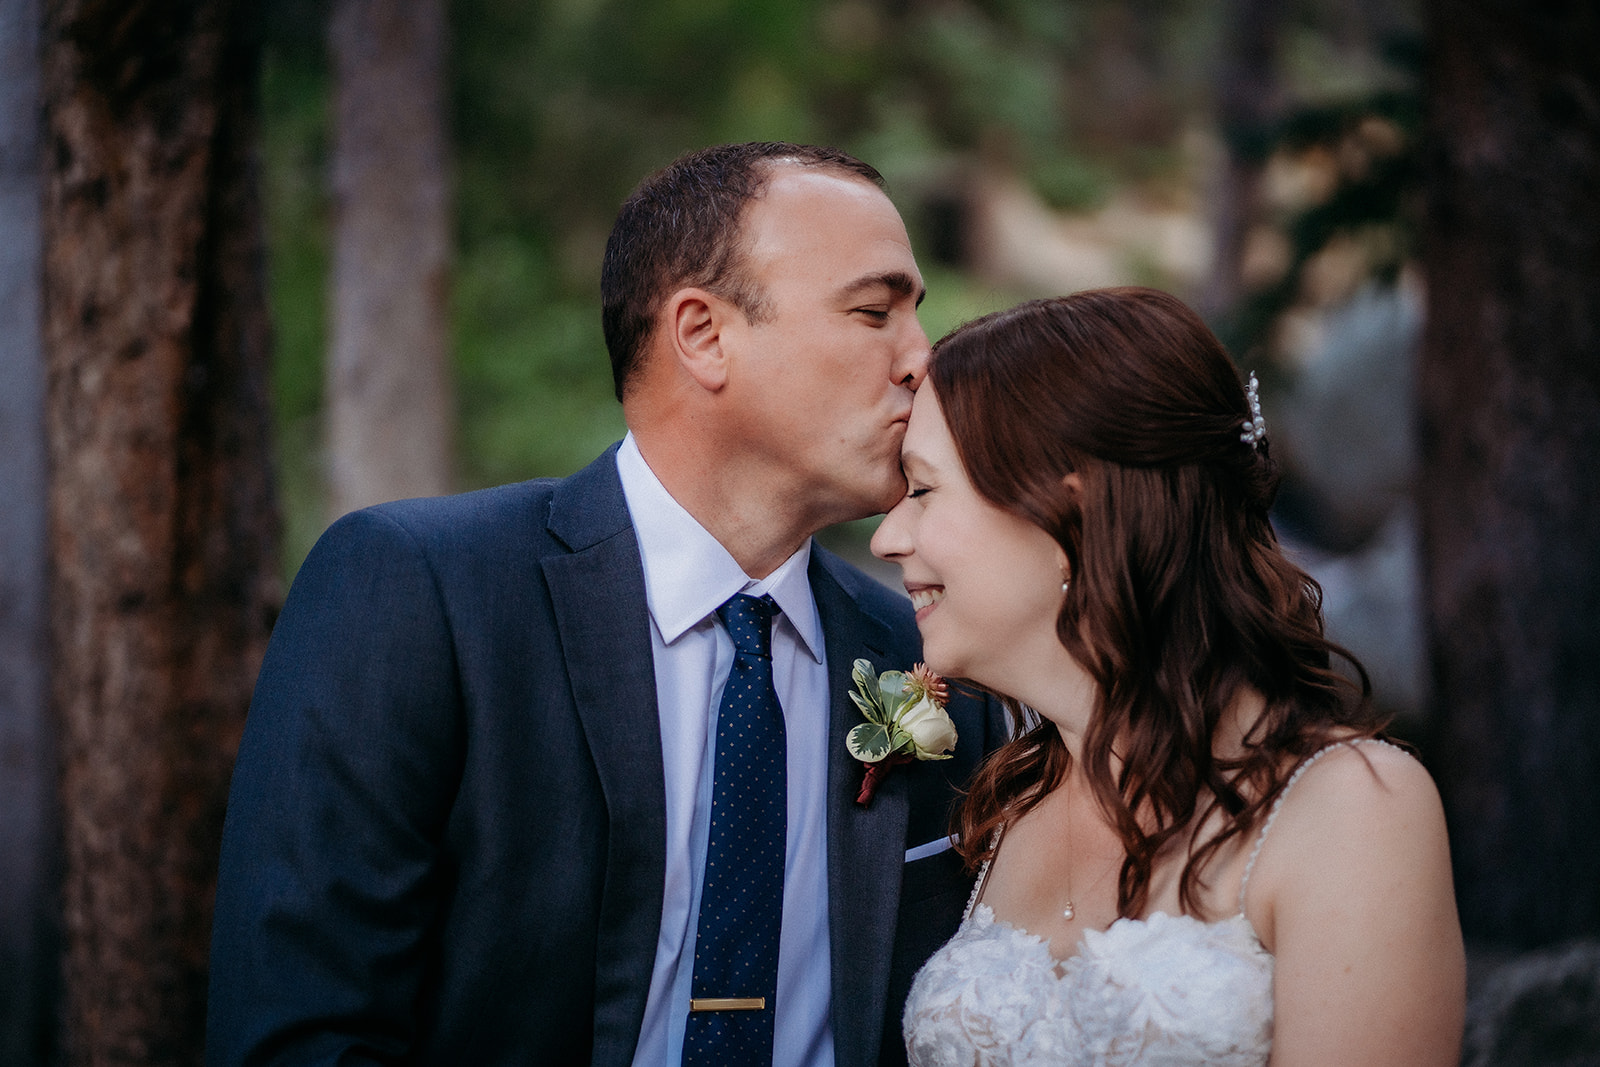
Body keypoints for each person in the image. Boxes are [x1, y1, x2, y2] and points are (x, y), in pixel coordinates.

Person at [207, 142, 1005, 1067]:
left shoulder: (928, 653)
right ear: (703, 335)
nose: (922, 358)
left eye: (917, 315)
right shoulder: (421, 593)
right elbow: (303, 1029)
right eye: (874, 312)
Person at [871, 287, 1466, 1066]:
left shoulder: (1351, 809)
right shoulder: (999, 801)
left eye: (921, 490)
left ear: (1067, 514)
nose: (886, 537)